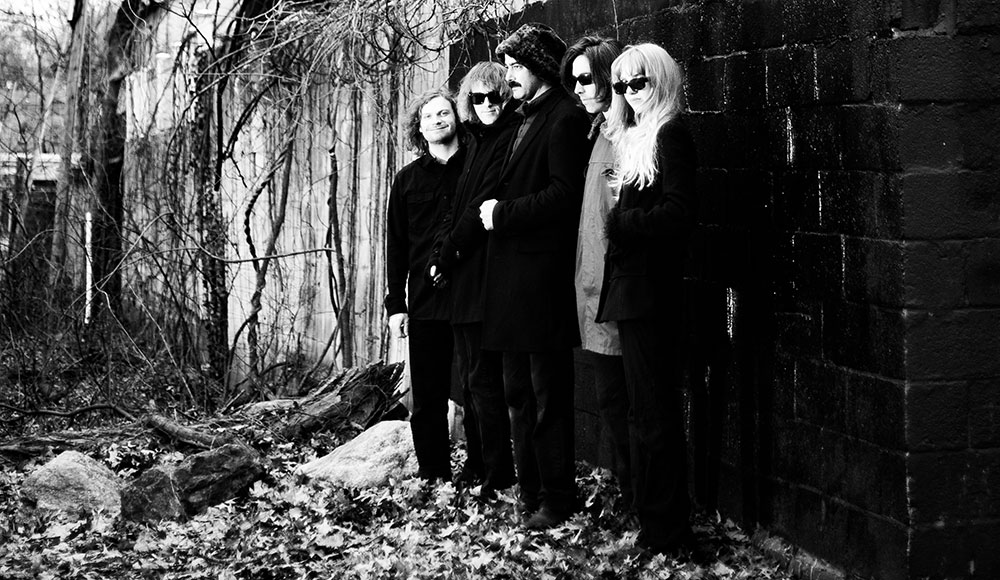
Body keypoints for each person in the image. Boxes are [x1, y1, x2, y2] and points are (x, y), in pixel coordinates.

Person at [477, 22, 591, 529]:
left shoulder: (563, 119)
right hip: (510, 286)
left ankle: (557, 498)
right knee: (517, 395)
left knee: (547, 397)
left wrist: (502, 214)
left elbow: (565, 196)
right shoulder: (525, 118)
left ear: (542, 69)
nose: (509, 76)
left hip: (540, 285)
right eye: (507, 66)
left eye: (517, 66)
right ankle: (530, 491)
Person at [596, 43, 698, 554]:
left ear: (660, 80)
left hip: (652, 294)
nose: (629, 94)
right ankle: (657, 526)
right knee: (641, 413)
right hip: (631, 294)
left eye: (639, 83)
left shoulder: (671, 134)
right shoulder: (632, 136)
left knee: (654, 414)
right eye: (620, 86)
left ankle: (669, 533)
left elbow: (679, 214)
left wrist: (622, 223)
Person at [429, 61, 519, 497]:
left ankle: (497, 473)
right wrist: (441, 253)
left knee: (484, 381)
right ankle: (480, 463)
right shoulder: (477, 141)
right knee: (468, 379)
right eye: (478, 97)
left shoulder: (505, 139)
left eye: (494, 97)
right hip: (464, 275)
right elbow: (457, 205)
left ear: (506, 96)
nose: (486, 105)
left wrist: (446, 254)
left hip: (483, 275)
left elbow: (480, 204)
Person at [559, 36, 632, 510]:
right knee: (611, 404)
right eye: (574, 81)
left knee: (624, 405)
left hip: (616, 295)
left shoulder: (627, 136)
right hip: (592, 293)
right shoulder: (596, 134)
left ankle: (638, 502)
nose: (580, 89)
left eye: (587, 79)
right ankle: (631, 497)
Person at [385, 89, 466, 482]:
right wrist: (394, 305)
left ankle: (483, 473)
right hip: (423, 304)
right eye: (428, 116)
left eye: (443, 112)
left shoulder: (475, 168)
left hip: (470, 298)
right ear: (420, 128)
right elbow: (396, 246)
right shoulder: (407, 181)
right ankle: (434, 475)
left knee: (476, 391)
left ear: (456, 118)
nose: (436, 120)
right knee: (428, 398)